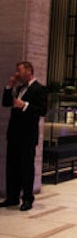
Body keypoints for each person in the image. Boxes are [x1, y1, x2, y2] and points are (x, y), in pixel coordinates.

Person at [1, 61, 47, 211]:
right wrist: (9, 85)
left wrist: (25, 106)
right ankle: (12, 197)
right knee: (12, 166)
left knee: (26, 168)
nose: (17, 74)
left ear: (28, 71)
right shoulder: (19, 88)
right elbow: (6, 103)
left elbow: (42, 110)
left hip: (27, 135)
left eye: (19, 71)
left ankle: (27, 198)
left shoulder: (39, 89)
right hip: (14, 134)